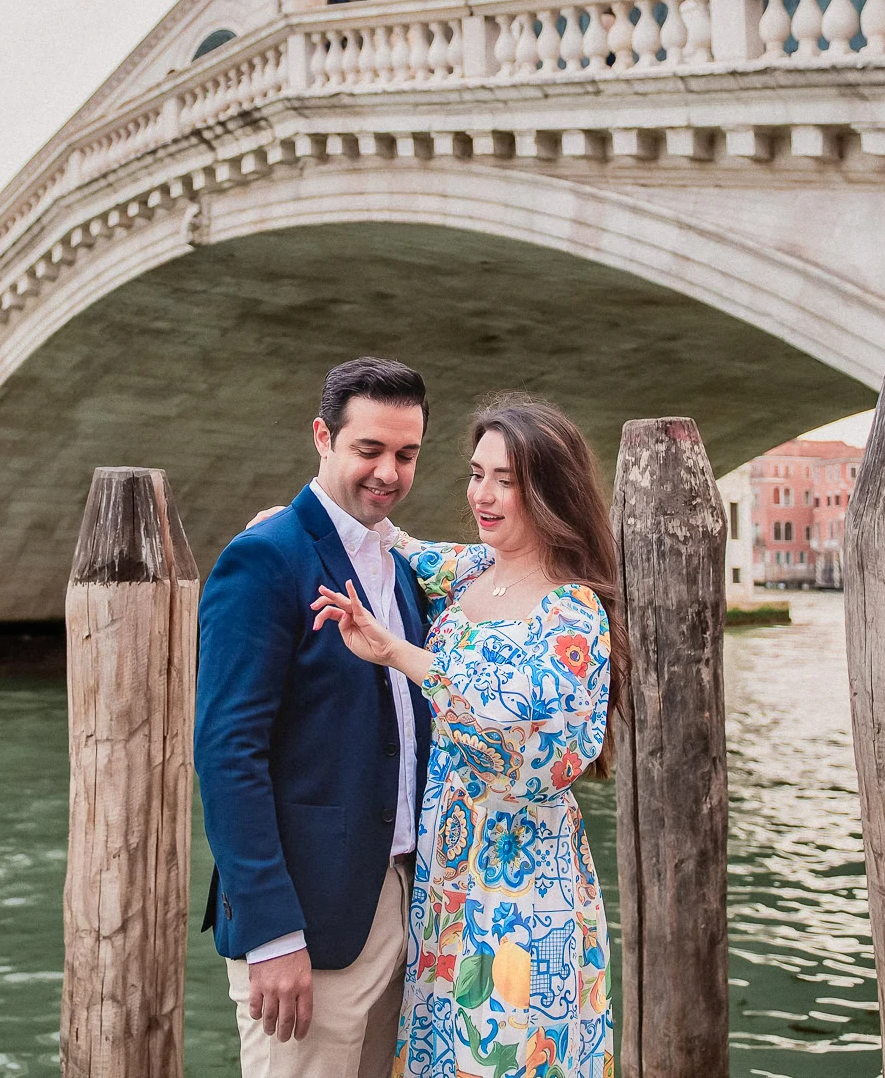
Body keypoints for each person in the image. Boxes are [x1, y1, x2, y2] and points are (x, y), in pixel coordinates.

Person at [310, 396, 619, 1078]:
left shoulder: (573, 608)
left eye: (506, 480)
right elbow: (397, 545)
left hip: (523, 897)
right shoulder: (476, 569)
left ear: (550, 488)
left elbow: (528, 749)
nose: (484, 494)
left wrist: (400, 654)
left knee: (503, 1056)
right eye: (477, 474)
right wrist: (296, 522)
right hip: (449, 883)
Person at [195, 357, 436, 1078]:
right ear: (323, 437)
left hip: (398, 901)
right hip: (304, 923)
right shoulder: (264, 559)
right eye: (370, 450)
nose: (388, 472)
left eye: (406, 454)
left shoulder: (399, 562)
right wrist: (271, 932)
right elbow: (228, 752)